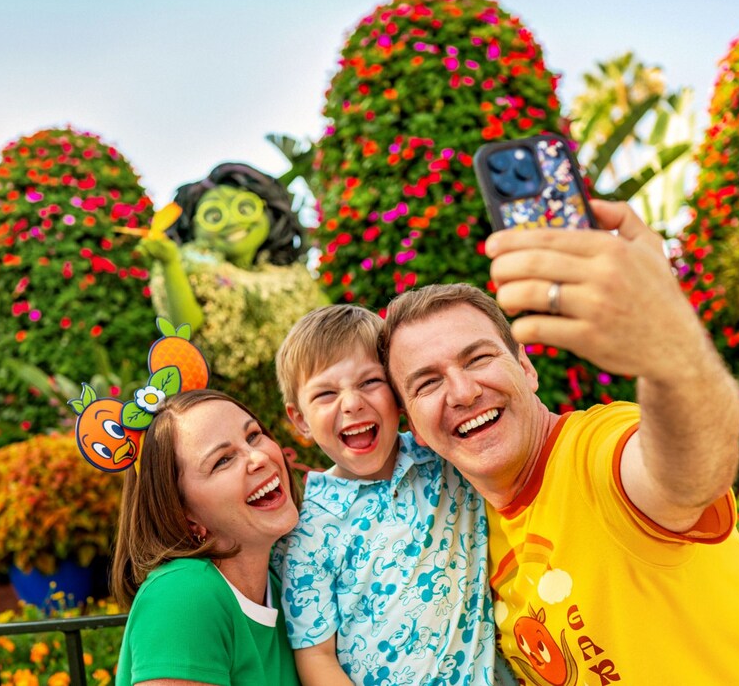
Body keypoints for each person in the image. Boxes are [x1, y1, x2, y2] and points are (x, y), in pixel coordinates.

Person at [380, 200, 739, 684]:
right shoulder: (467, 532)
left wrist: (670, 351)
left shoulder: (594, 449)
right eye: (427, 383)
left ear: (526, 368)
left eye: (478, 359)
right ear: (414, 427)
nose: (463, 392)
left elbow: (686, 473)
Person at [271, 305, 516, 685]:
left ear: (399, 394)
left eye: (370, 382)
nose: (351, 403)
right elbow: (316, 656)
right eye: (326, 393)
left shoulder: (447, 458)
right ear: (300, 419)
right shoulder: (307, 530)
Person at [111, 388, 303, 686]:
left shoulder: (281, 585)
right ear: (184, 514)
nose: (258, 457)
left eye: (253, 435)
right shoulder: (181, 596)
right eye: (222, 460)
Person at [139, 163, 324, 445]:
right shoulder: (190, 267)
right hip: (234, 412)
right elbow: (185, 328)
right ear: (193, 227)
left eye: (245, 208)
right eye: (214, 215)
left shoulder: (291, 277)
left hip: (301, 407)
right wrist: (170, 263)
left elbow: (331, 322)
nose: (232, 221)